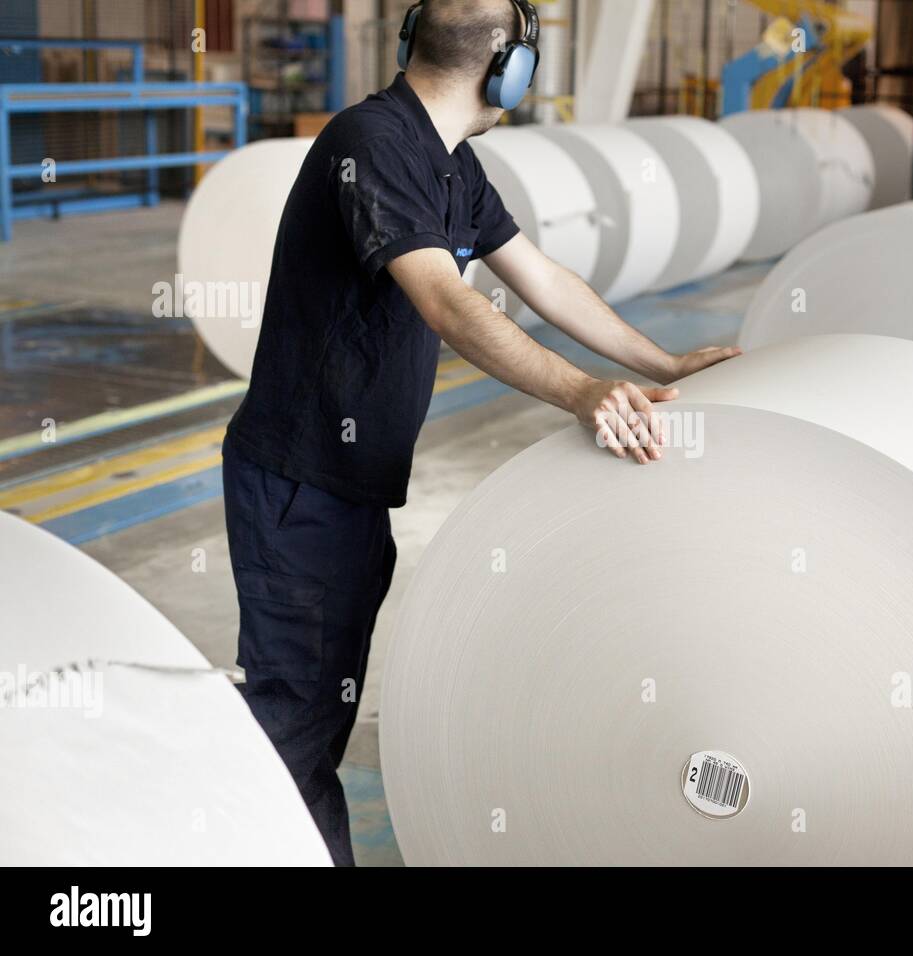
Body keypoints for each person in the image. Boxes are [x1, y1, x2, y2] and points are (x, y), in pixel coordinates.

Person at [220, 0, 740, 864]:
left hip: (348, 489)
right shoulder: (373, 143)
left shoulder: (450, 163)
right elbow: (449, 303)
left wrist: (665, 365)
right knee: (292, 732)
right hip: (299, 489)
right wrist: (580, 390)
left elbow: (543, 278)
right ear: (510, 69)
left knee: (315, 719)